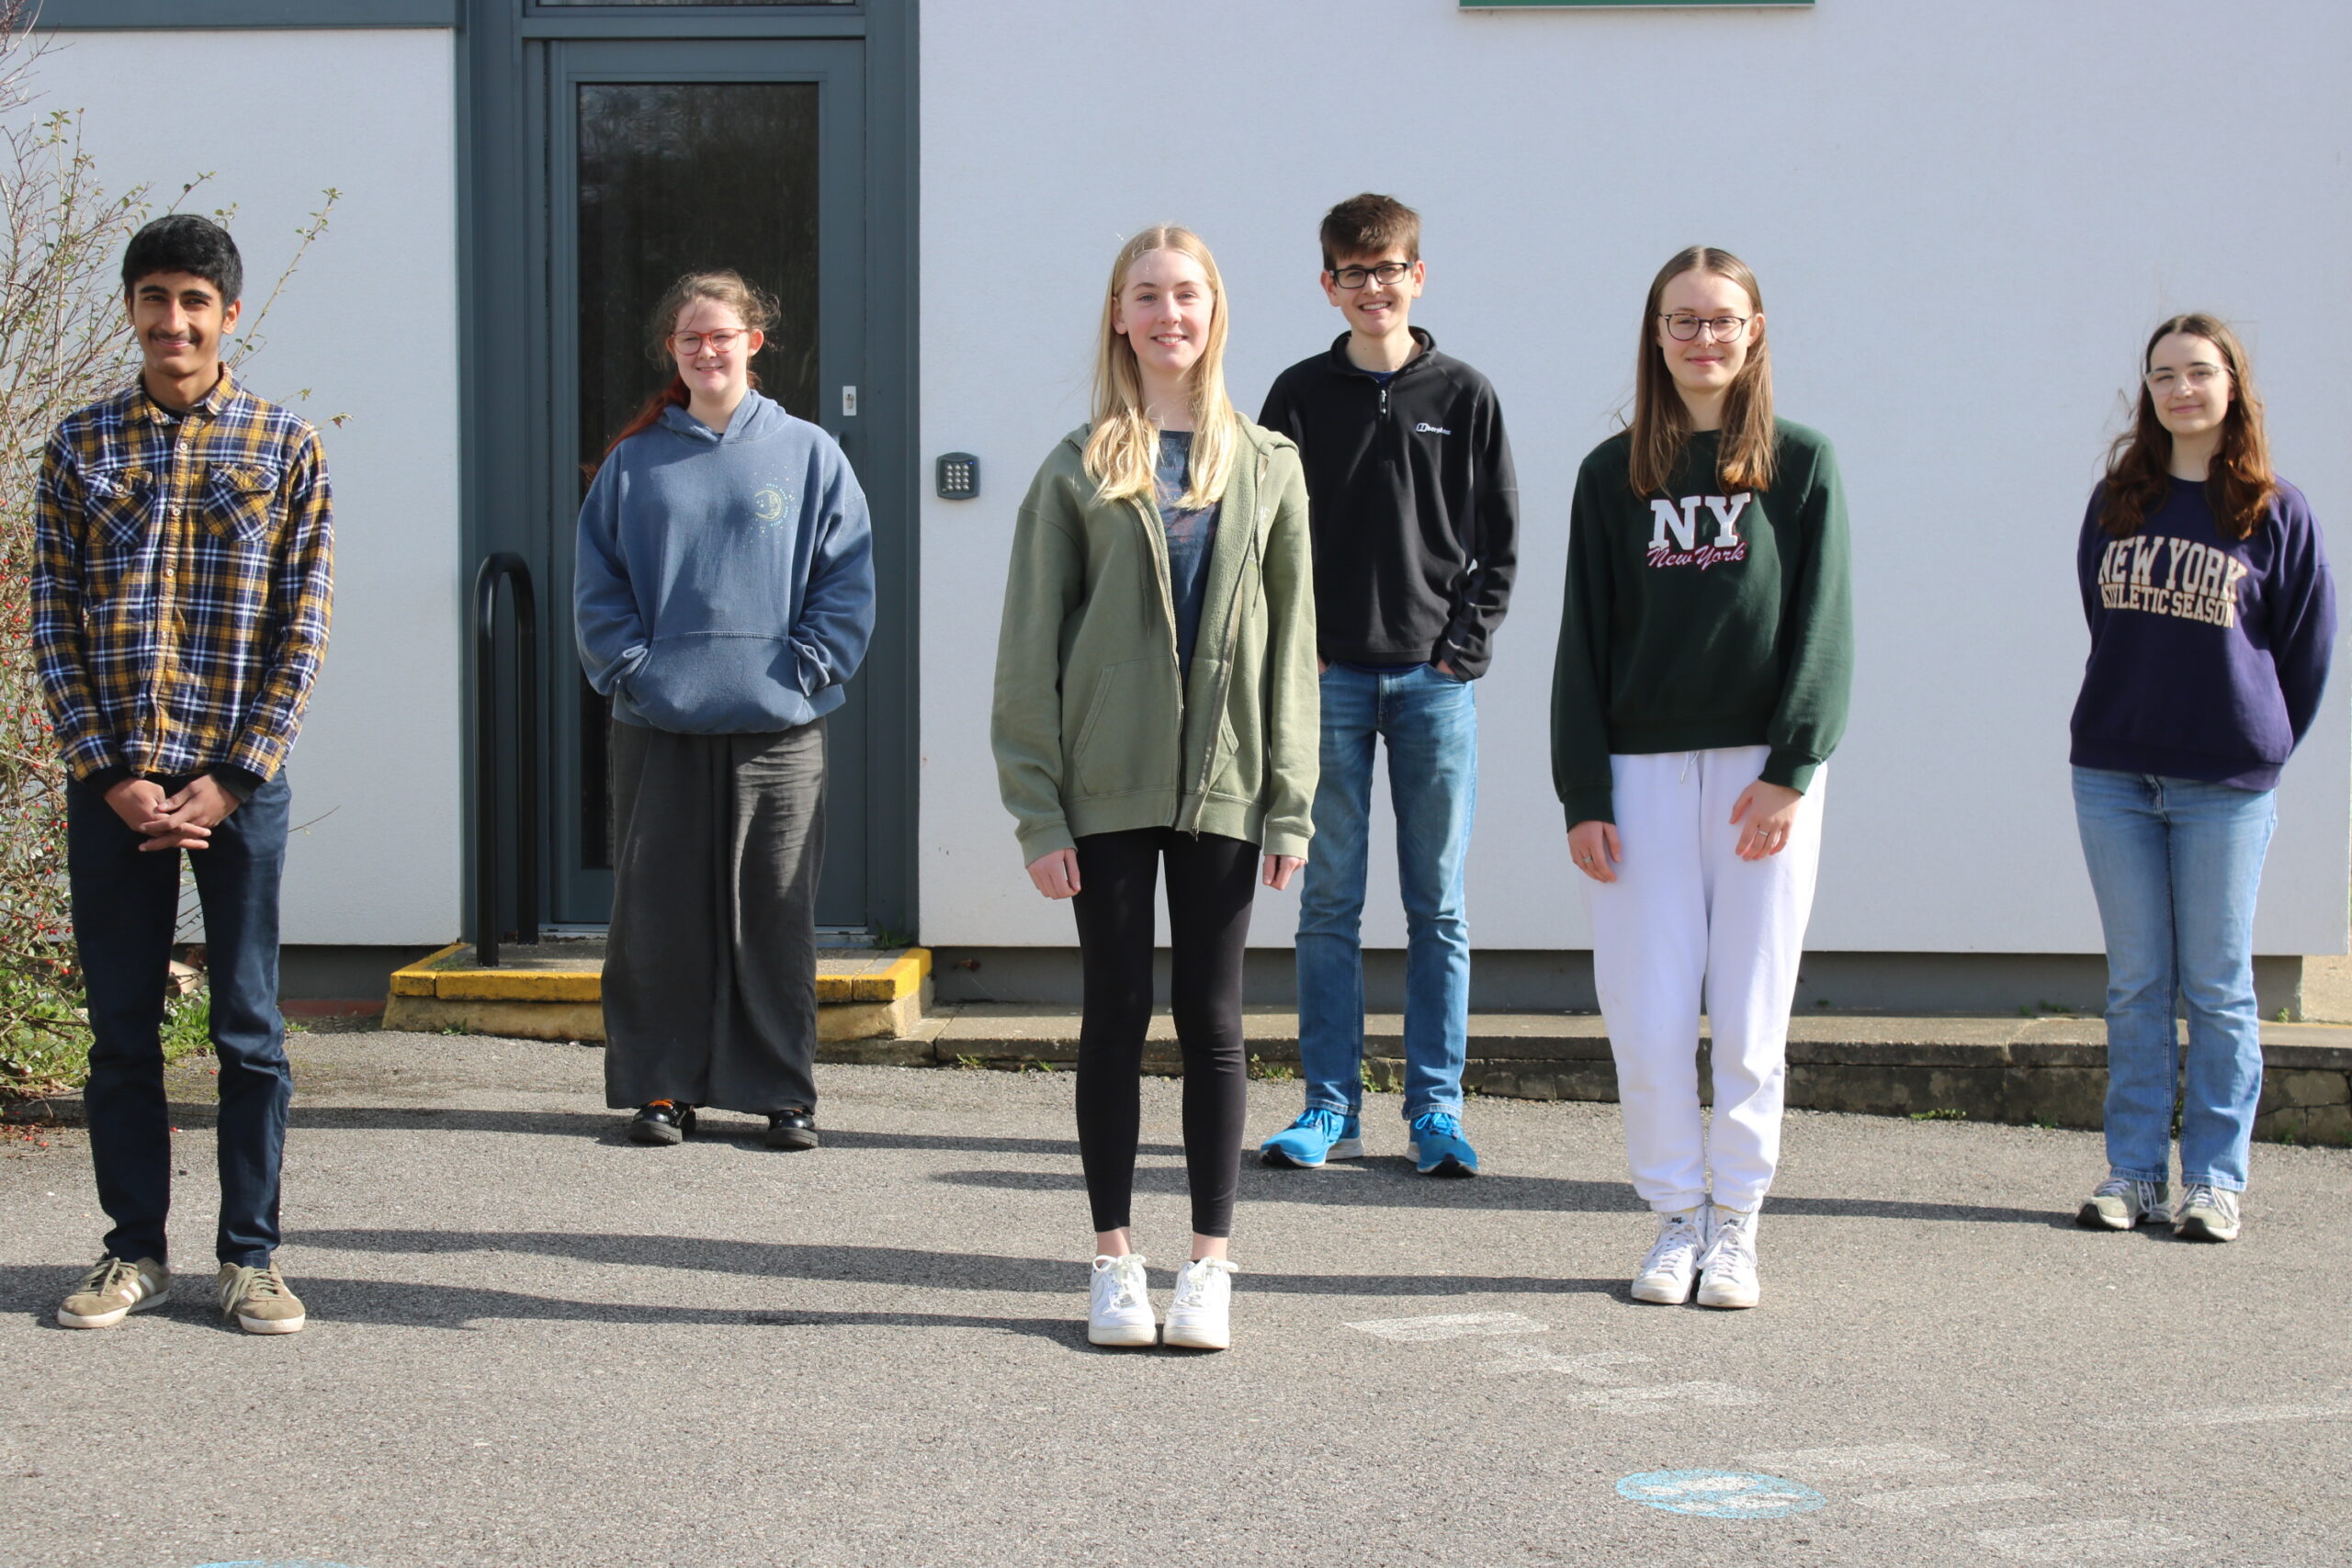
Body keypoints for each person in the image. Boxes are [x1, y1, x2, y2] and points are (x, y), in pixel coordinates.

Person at [991, 227, 1317, 1351]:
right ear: (1119, 318)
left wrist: (1291, 801)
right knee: (1115, 1014)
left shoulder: (1269, 462)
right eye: (1146, 296)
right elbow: (1028, 649)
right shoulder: (1076, 465)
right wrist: (1037, 807)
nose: (1167, 312)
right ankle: (1113, 1261)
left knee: (1214, 1020)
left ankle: (1211, 1268)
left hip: (1224, 785)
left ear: (1213, 311)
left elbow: (1290, 649)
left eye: (1186, 294)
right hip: (1107, 787)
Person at [36, 215, 334, 1334]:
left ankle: (250, 1258)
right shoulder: (80, 447)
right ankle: (133, 1252)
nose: (175, 321)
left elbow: (303, 628)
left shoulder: (283, 446)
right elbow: (52, 622)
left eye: (196, 301)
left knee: (248, 1026)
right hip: (114, 784)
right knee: (121, 1028)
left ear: (230, 315)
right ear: (132, 308)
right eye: (156, 298)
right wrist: (106, 770)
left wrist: (236, 776)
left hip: (235, 789)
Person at [1551, 245, 1852, 1311]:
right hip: (1636, 776)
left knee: (1751, 1010)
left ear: (1754, 330)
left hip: (1759, 778)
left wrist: (1792, 767)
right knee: (1646, 1011)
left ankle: (1738, 1223)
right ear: (1655, 336)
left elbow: (1825, 630)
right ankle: (1675, 1216)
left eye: (1722, 320)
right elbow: (1580, 642)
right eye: (1682, 321)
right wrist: (1583, 793)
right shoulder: (1609, 472)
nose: (1702, 338)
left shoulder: (1801, 464)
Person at [575, 269, 875, 1152]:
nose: (707, 351)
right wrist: (637, 673)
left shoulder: (810, 453)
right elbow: (598, 588)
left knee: (773, 911)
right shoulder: (634, 463)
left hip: (781, 728)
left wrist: (806, 669)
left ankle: (782, 1091)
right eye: (689, 339)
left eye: (722, 335)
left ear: (755, 341)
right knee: (657, 910)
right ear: (673, 351)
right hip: (657, 725)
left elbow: (846, 579)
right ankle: (661, 1088)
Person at [1255, 192, 1517, 1180]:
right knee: (1326, 901)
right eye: (1352, 273)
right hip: (1326, 683)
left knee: (1437, 907)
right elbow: (1263, 538)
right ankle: (1329, 1108)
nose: (1373, 288)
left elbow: (1498, 541)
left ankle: (1436, 1112)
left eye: (1389, 269)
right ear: (1329, 284)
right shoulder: (1295, 395)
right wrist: (1299, 645)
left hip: (1432, 687)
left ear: (1418, 275)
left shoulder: (1464, 395)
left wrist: (1463, 649)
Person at [2068, 314, 2334, 1243]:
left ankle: (2214, 1182)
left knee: (2218, 987)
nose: (2180, 390)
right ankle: (2132, 1174)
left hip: (2224, 782)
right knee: (2137, 986)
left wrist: (2249, 740)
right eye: (2162, 376)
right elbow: (2106, 627)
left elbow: (2304, 654)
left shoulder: (2273, 510)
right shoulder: (2116, 504)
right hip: (2112, 774)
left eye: (2197, 372)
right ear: (2147, 393)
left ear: (2231, 385)